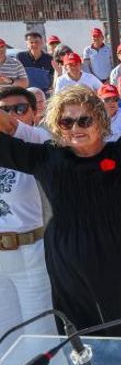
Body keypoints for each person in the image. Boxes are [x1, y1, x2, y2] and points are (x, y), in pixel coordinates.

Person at [0, 46, 121, 338]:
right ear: (57, 125)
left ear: (100, 122)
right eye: (67, 121)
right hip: (71, 278)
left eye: (84, 120)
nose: (75, 128)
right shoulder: (47, 159)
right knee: (83, 348)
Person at [0, 86, 54, 356]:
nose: (13, 114)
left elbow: (9, 128)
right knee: (5, 341)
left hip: (31, 253)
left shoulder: (39, 140)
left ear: (35, 113)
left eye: (20, 108)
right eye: (5, 108)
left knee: (41, 338)